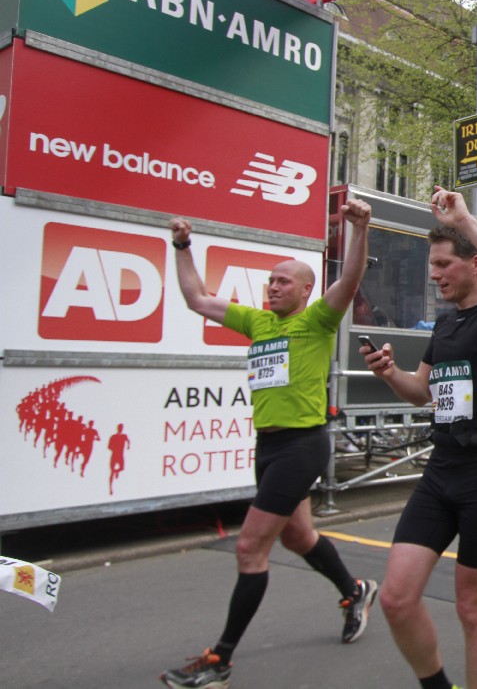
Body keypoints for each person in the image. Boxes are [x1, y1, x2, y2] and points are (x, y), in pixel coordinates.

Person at [161, 199, 378, 689]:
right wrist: (182, 246)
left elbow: (349, 281)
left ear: (305, 290)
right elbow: (197, 298)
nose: (272, 287)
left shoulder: (318, 320)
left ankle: (220, 660)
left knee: (249, 547)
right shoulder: (257, 322)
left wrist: (360, 230)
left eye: (282, 281)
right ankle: (355, 589)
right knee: (298, 537)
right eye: (270, 281)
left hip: (303, 446)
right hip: (269, 447)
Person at [361, 185, 477, 689]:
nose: (434, 274)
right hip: (442, 469)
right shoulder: (443, 327)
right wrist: (389, 373)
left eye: (443, 264)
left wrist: (464, 222)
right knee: (396, 598)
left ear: (476, 263)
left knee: (472, 607)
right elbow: (421, 392)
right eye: (432, 265)